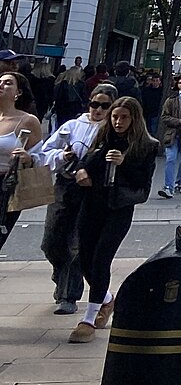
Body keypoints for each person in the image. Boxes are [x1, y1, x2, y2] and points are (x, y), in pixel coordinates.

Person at [66, 96, 158, 341]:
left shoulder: (146, 145)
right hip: (92, 204)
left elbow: (142, 184)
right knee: (84, 258)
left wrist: (124, 162)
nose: (118, 122)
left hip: (118, 208)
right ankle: (106, 299)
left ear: (134, 119)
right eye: (115, 116)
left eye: (124, 117)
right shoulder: (102, 137)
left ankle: (89, 317)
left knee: (100, 259)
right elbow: (85, 161)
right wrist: (81, 170)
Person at [35, 84, 111, 311]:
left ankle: (68, 296)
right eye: (95, 104)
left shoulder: (111, 130)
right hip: (65, 185)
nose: (98, 110)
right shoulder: (72, 125)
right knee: (51, 241)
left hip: (91, 189)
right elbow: (45, 151)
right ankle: (60, 272)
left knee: (76, 244)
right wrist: (62, 155)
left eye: (104, 106)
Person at [0, 69, 44, 251]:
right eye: (0, 81)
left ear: (19, 93)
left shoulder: (28, 121)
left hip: (6, 187)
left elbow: (41, 158)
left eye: (8, 83)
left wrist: (28, 158)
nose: (1, 85)